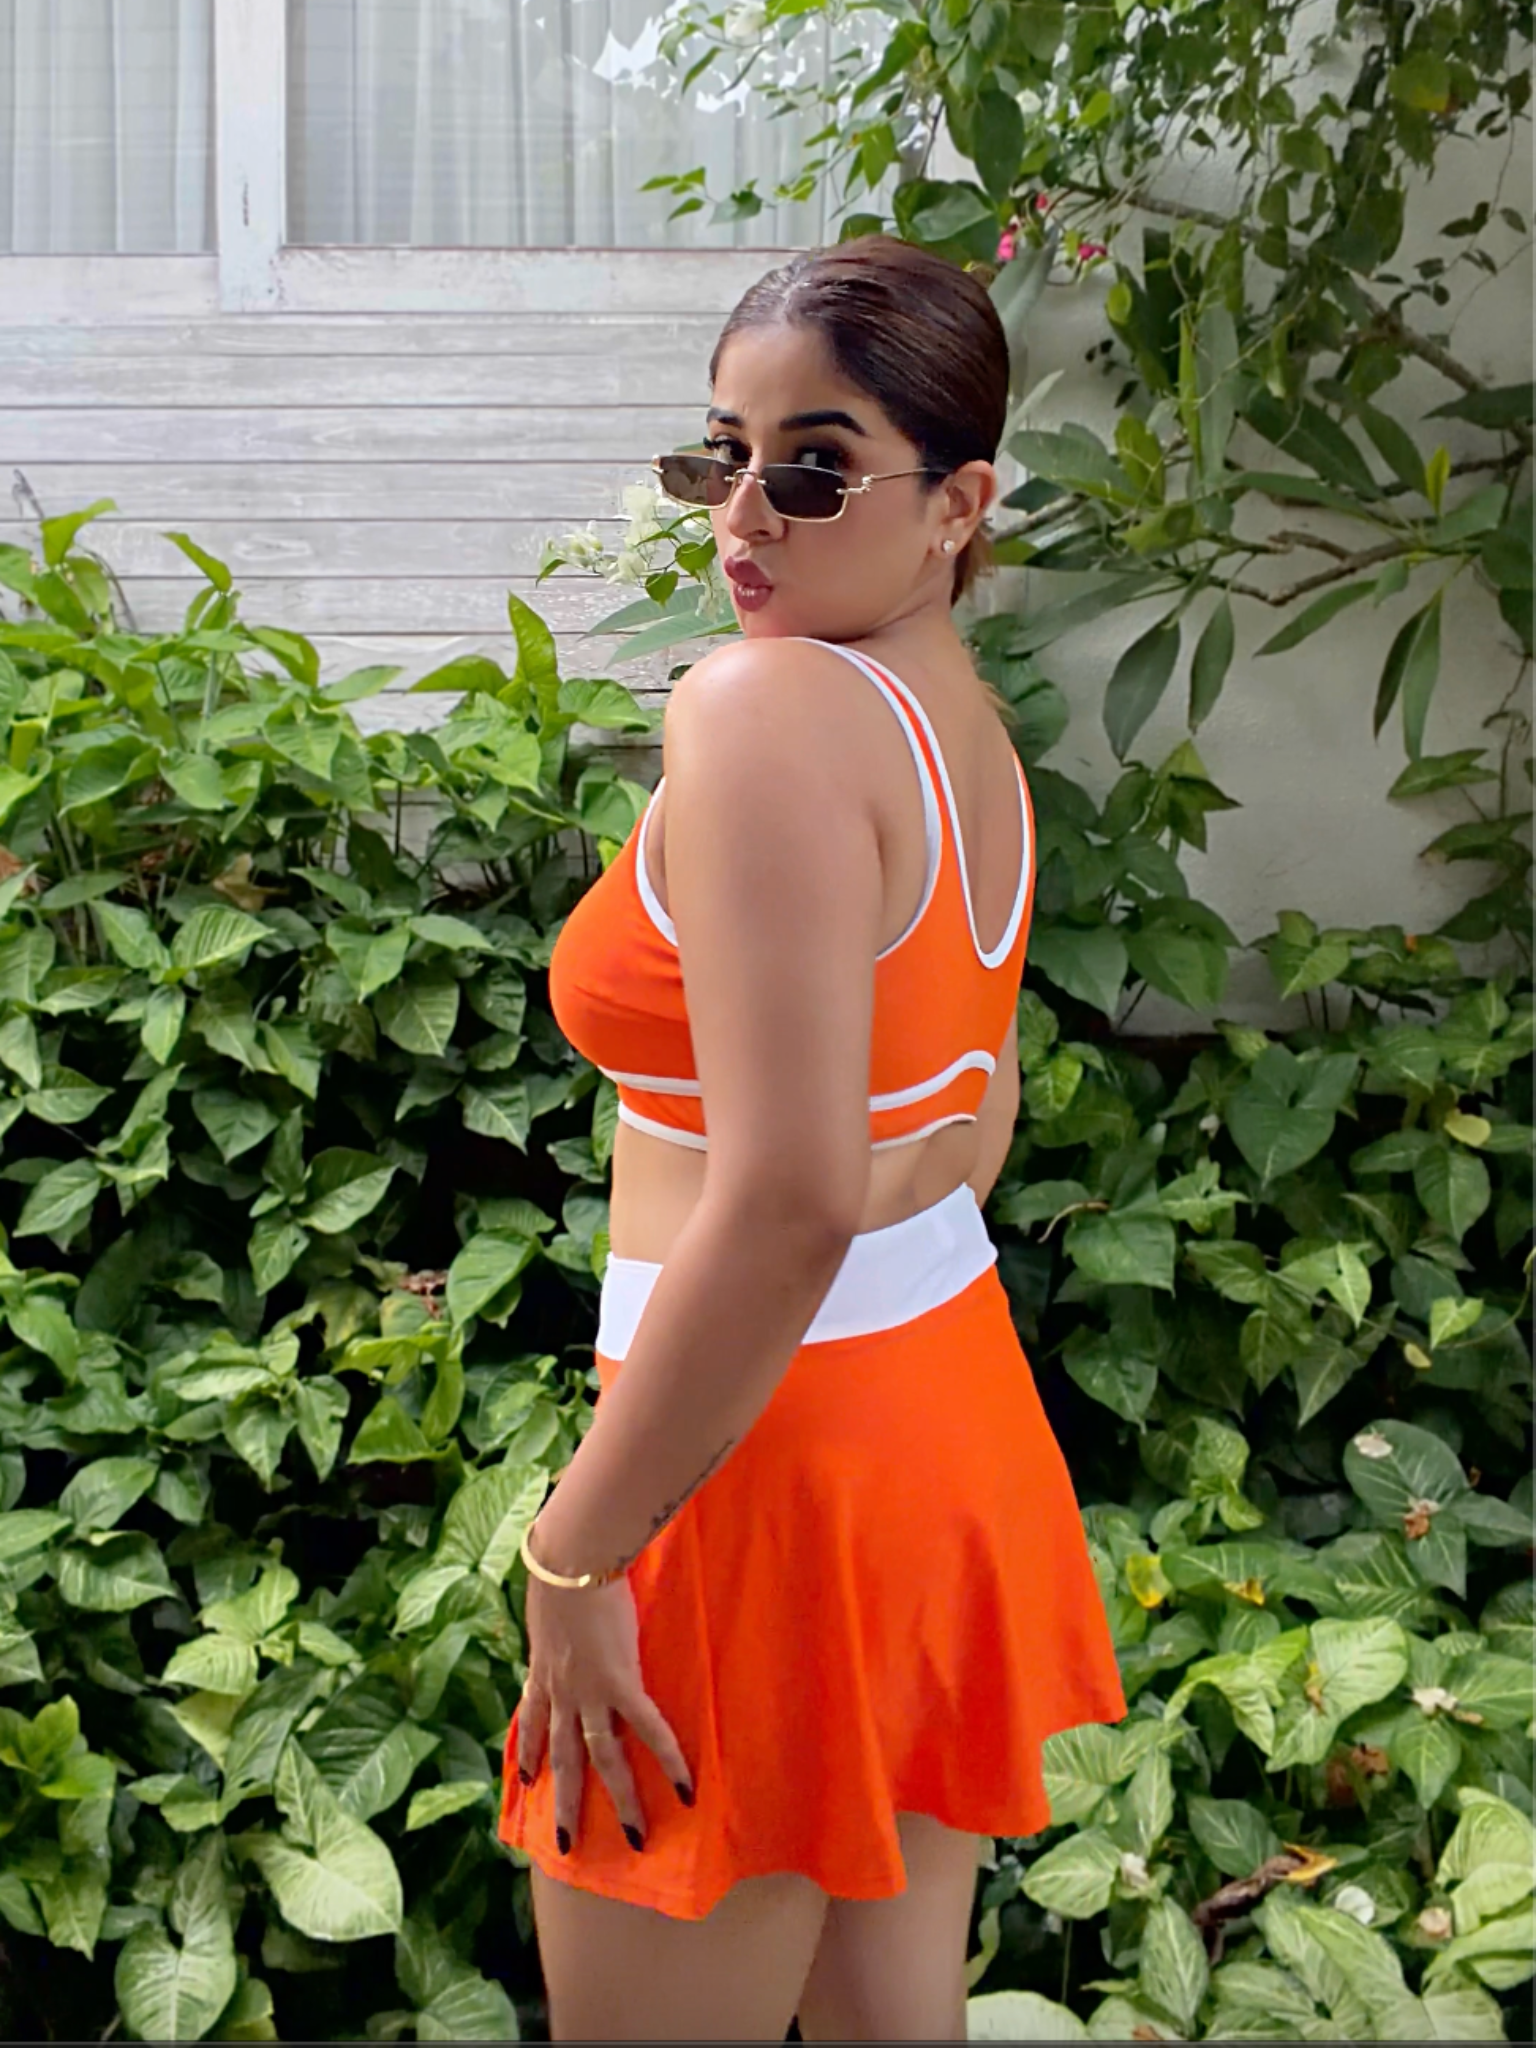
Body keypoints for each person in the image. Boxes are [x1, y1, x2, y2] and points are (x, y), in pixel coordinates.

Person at [498, 234, 1125, 2041]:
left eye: (816, 468)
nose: (742, 519)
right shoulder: (965, 740)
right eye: (723, 456)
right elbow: (970, 1117)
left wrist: (575, 1557)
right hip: (934, 1424)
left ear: (960, 504)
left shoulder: (764, 709)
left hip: (755, 1470)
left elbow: (782, 1203)